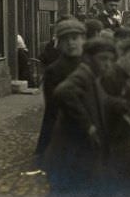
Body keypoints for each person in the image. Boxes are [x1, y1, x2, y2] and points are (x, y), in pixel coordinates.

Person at [44, 37, 117, 195]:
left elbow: (101, 101)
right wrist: (88, 126)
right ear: (89, 59)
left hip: (75, 157)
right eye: (103, 59)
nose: (107, 64)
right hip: (68, 158)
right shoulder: (84, 74)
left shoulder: (94, 78)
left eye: (111, 60)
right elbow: (63, 91)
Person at [35, 18, 86, 159]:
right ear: (59, 44)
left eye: (75, 38)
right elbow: (53, 108)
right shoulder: (54, 71)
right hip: (65, 130)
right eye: (65, 40)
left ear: (83, 40)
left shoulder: (90, 65)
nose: (71, 43)